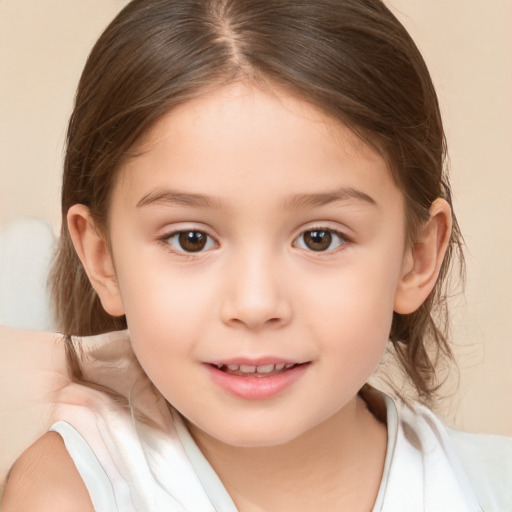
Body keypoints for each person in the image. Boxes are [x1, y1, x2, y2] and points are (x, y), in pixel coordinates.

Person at [2, 0, 511, 510]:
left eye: (320, 238)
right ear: (102, 257)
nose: (254, 303)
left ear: (417, 256)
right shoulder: (71, 493)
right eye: (191, 239)